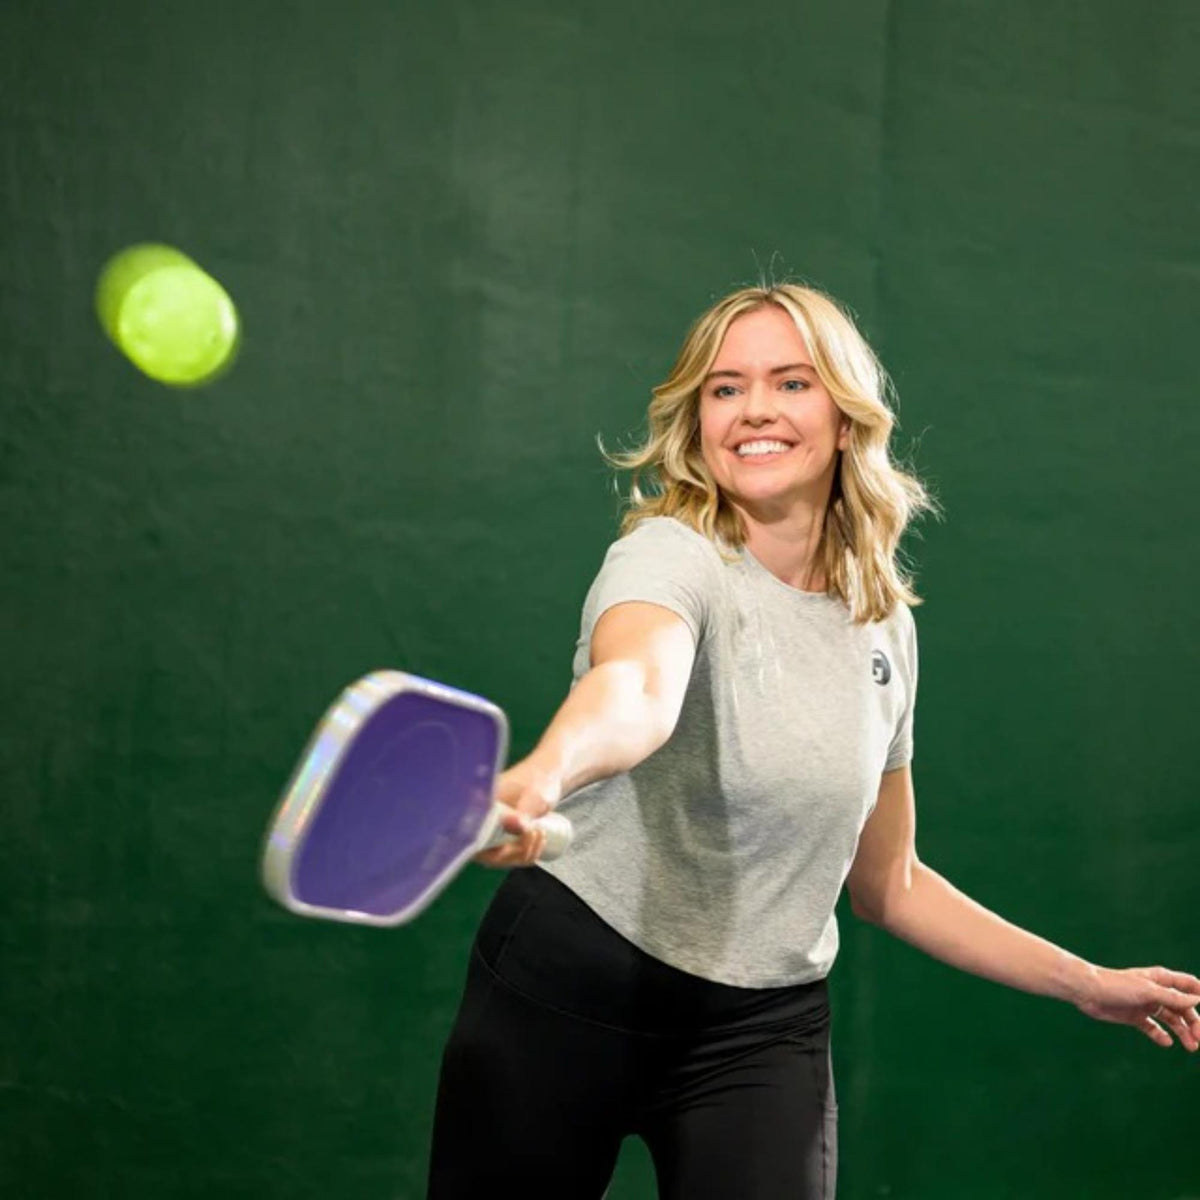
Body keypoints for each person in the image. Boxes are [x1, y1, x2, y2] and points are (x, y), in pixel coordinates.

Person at [426, 282, 1200, 1200]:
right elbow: (636, 689)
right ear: (698, 423)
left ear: (845, 420)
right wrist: (542, 776)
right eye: (725, 389)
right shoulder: (668, 557)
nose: (754, 409)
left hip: (757, 1031)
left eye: (791, 383)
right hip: (567, 986)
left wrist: (1085, 983)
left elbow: (889, 882)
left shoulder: (883, 627)